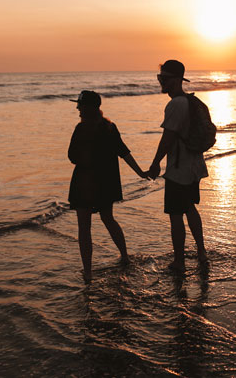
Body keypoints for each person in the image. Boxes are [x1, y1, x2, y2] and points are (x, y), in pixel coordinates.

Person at [68, 90, 147, 282]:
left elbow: (72, 157)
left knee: (84, 227)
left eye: (79, 105)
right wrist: (140, 173)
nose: (77, 108)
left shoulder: (81, 128)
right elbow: (124, 152)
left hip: (84, 182)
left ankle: (88, 272)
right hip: (106, 182)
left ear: (87, 108)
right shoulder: (109, 127)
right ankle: (125, 256)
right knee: (108, 218)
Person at [148, 60, 209, 273]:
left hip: (179, 169)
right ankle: (201, 252)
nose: (161, 82)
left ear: (175, 80)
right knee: (190, 208)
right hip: (194, 166)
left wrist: (155, 163)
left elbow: (168, 139)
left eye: (163, 79)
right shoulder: (190, 102)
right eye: (159, 78)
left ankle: (179, 262)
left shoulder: (175, 104)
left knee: (175, 214)